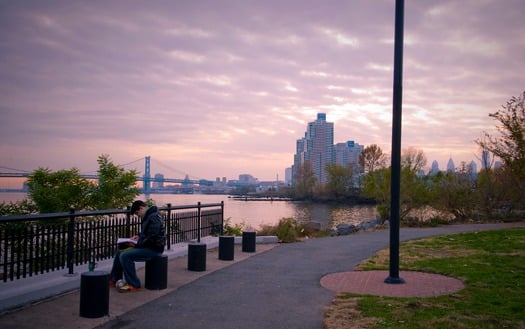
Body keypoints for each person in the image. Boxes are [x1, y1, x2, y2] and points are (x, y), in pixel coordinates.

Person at [109, 200, 166, 292]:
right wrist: (138, 237)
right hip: (148, 246)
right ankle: (113, 279)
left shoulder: (153, 217)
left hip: (154, 249)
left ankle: (134, 284)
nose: (137, 215)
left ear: (141, 208)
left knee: (125, 256)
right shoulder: (149, 216)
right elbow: (148, 233)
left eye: (137, 213)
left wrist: (137, 243)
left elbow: (152, 237)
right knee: (121, 251)